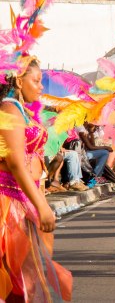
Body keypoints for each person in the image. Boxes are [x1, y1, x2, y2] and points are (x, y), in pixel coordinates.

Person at [0, 60, 73, 302]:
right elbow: (15, 164)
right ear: (19, 81)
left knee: (26, 277)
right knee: (17, 279)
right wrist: (41, 207)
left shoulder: (21, 110)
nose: (41, 86)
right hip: (8, 202)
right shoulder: (9, 110)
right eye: (36, 80)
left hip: (22, 199)